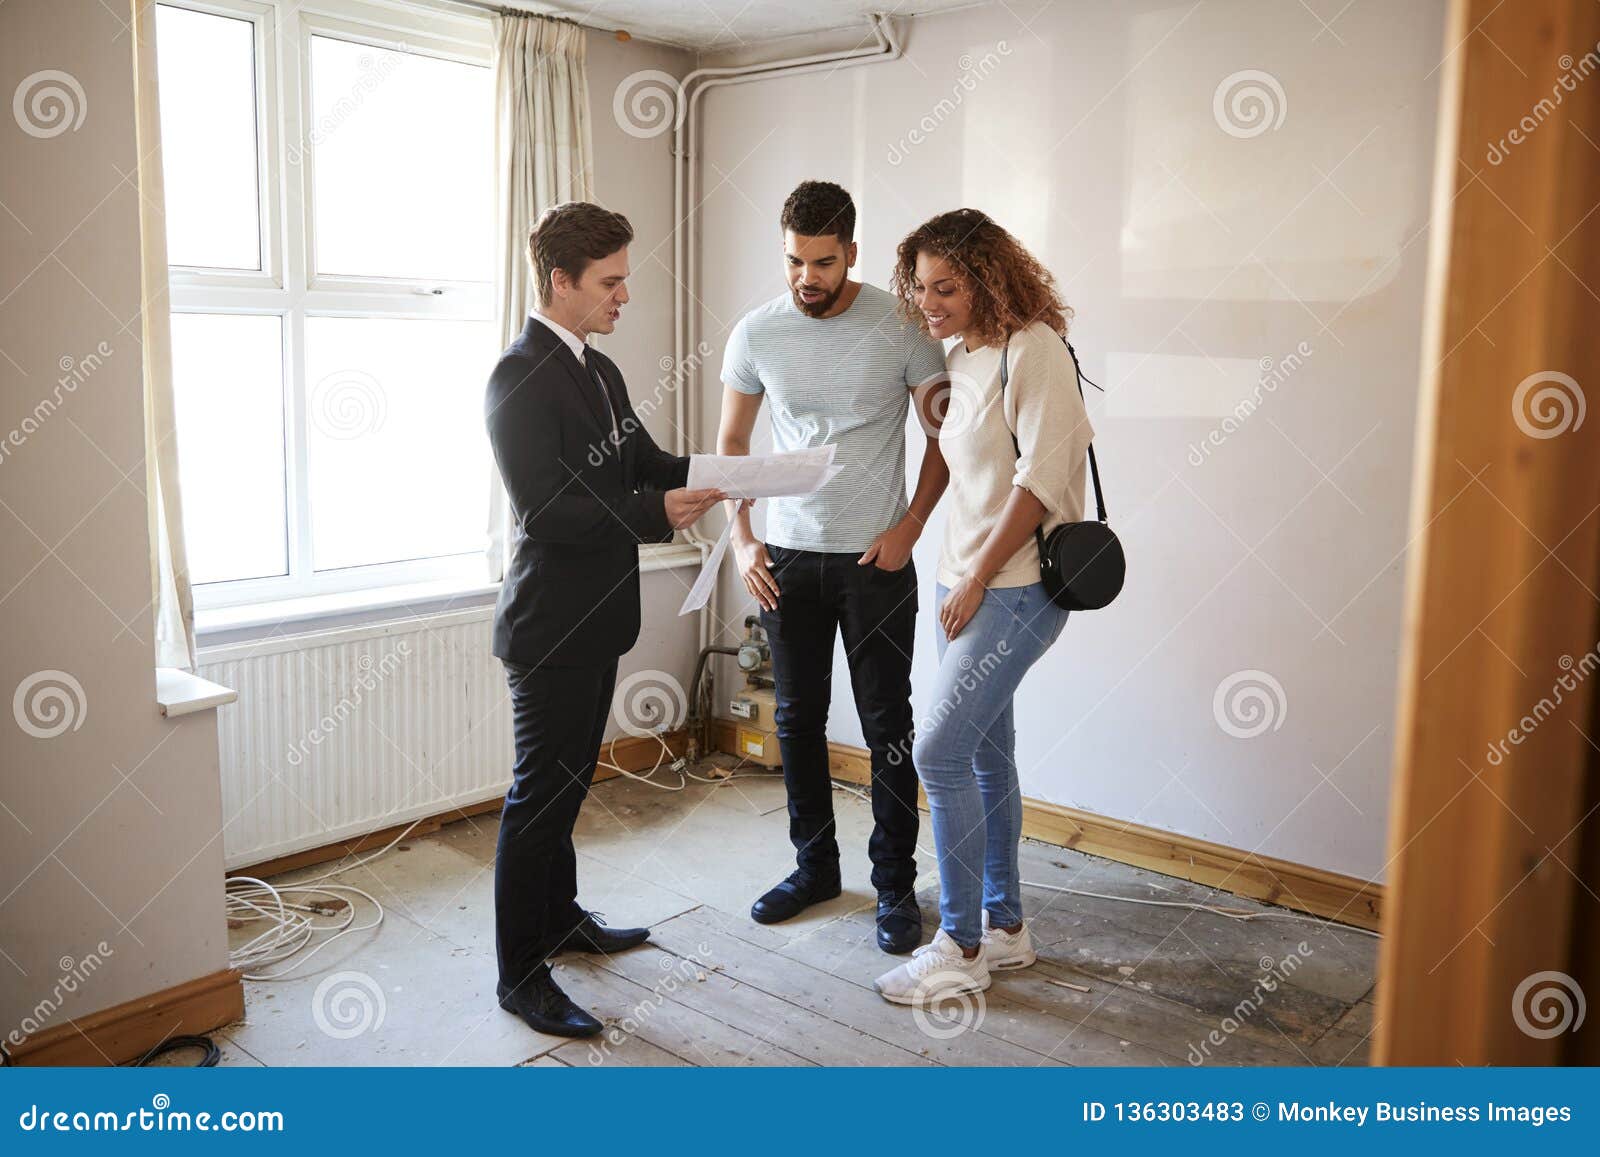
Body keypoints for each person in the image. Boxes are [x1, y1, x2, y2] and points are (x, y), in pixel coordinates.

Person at [485, 201, 724, 1037]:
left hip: (596, 621)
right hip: (549, 626)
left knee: (571, 784)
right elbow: (548, 511)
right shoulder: (517, 376)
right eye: (611, 282)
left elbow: (644, 463)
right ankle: (521, 972)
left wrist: (729, 471)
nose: (626, 296)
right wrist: (660, 510)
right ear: (561, 281)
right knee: (539, 795)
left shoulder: (600, 369)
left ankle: (561, 918)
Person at [717, 180, 950, 954]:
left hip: (873, 558)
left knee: (887, 725)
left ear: (851, 252)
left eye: (822, 261)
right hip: (785, 556)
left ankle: (893, 889)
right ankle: (815, 867)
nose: (805, 278)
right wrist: (744, 542)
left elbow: (949, 437)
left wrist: (911, 527)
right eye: (793, 261)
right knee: (795, 720)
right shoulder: (756, 333)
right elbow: (731, 449)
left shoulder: (904, 325)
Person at [873, 208, 1094, 1005]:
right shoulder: (963, 354)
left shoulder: (1033, 347)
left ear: (989, 278)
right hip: (960, 582)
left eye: (948, 287)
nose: (930, 304)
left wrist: (974, 579)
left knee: (936, 753)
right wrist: (923, 543)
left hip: (1016, 589)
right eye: (923, 288)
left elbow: (1041, 480)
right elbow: (954, 464)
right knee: (985, 757)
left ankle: (960, 943)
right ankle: (1006, 926)